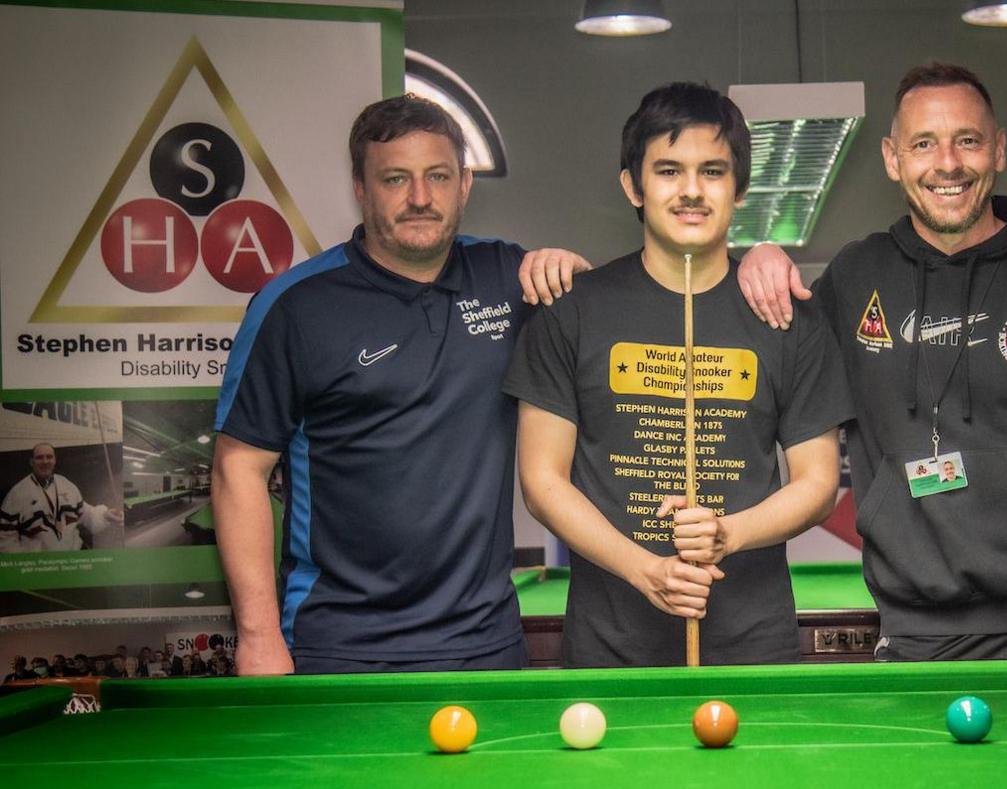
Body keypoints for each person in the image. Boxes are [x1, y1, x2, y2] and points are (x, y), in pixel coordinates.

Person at [738, 62, 1007, 660]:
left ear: (999, 150)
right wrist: (758, 255)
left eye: (968, 140)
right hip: (918, 632)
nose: (948, 164)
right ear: (892, 158)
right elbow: (749, 360)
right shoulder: (854, 281)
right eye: (923, 144)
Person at [213, 94, 590, 676]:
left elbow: (620, 332)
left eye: (437, 176)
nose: (420, 198)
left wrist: (579, 273)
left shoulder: (509, 278)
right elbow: (238, 469)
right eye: (396, 179)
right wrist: (258, 637)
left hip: (487, 644)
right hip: (338, 646)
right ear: (361, 189)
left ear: (464, 184)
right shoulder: (295, 307)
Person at [505, 83, 853, 667]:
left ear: (738, 187)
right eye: (668, 170)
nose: (691, 190)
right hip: (610, 644)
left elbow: (817, 485)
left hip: (753, 644)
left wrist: (728, 534)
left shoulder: (788, 318)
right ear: (632, 185)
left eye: (712, 171)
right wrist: (645, 570)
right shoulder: (572, 310)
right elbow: (542, 482)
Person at [1, 443, 121, 553]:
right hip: (42, 567)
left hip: (74, 560)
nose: (45, 461)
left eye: (49, 457)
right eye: (39, 457)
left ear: (54, 460)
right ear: (32, 462)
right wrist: (25, 566)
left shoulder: (67, 485)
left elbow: (84, 513)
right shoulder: (16, 494)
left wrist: (105, 515)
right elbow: (5, 537)